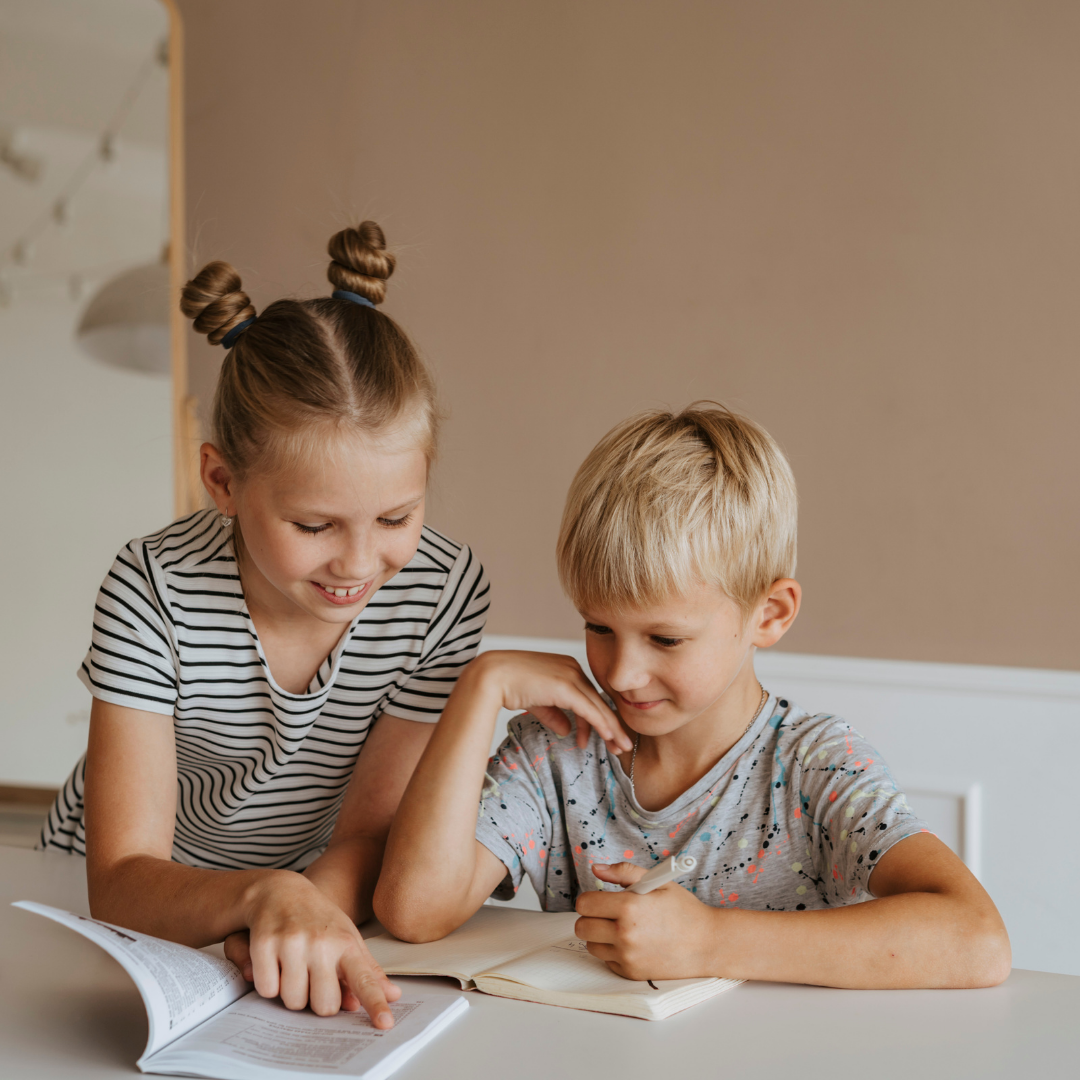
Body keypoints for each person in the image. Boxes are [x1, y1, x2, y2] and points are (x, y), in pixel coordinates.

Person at [375, 404, 1010, 989]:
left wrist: (708, 941)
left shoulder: (815, 766)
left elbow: (977, 941)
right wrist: (479, 687)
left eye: (666, 638)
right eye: (599, 627)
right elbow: (413, 912)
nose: (621, 673)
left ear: (769, 614)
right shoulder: (556, 752)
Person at [40, 222, 490, 1026]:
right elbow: (119, 877)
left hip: (297, 900)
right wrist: (266, 900)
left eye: (396, 516)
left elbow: (366, 833)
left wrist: (298, 915)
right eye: (315, 526)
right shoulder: (153, 587)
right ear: (221, 480)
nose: (358, 564)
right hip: (128, 901)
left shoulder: (444, 590)